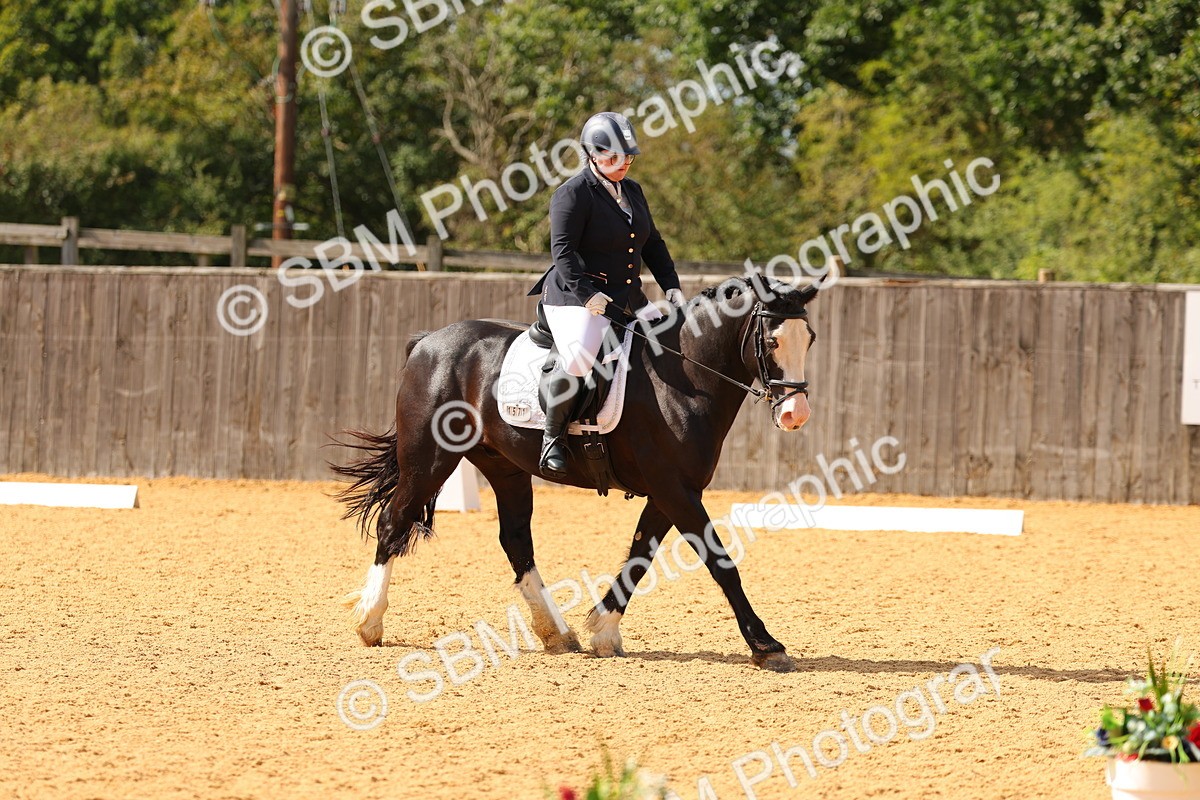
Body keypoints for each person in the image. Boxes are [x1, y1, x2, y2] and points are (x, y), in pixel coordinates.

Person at [527, 111, 686, 479]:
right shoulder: (572, 194)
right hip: (573, 294)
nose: (622, 165)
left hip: (626, 295)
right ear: (592, 154)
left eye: (627, 158)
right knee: (582, 358)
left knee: (665, 344)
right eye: (614, 158)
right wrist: (586, 295)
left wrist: (671, 284)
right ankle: (552, 439)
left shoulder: (632, 191)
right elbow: (562, 253)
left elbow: (652, 243)